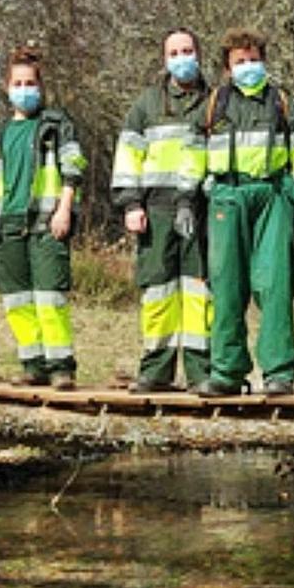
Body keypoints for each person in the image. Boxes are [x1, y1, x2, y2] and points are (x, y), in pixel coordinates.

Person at [195, 28, 294, 397]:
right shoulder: (215, 104)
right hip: (228, 196)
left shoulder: (280, 101)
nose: (248, 67)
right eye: (240, 62)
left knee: (275, 283)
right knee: (226, 284)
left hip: (272, 196)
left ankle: (279, 371)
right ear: (227, 68)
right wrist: (191, 194)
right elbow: (193, 150)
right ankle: (226, 371)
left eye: (254, 60)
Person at [0, 46, 86, 390]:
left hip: (45, 222)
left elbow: (73, 169)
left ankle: (60, 366)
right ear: (7, 88)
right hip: (5, 224)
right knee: (17, 301)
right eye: (17, 83)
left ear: (40, 86)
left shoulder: (56, 125)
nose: (24, 89)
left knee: (50, 297)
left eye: (30, 83)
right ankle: (32, 364)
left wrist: (64, 209)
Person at [112, 28, 212, 393]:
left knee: (200, 292)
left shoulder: (214, 101)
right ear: (164, 60)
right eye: (174, 52)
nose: (182, 57)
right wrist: (131, 203)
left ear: (198, 54)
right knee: (158, 291)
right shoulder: (147, 105)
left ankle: (202, 372)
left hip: (201, 211)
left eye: (188, 50)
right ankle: (156, 370)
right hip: (155, 211)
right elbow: (128, 157)